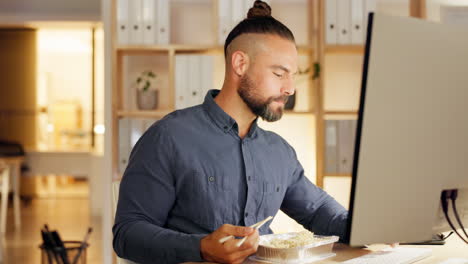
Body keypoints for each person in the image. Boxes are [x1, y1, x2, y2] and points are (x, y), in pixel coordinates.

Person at [113, 1, 348, 263]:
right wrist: (200, 247)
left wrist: (369, 227)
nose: (290, 88)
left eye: (292, 75)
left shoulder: (279, 151)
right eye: (280, 74)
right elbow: (127, 233)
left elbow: (319, 211)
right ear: (240, 64)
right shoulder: (168, 137)